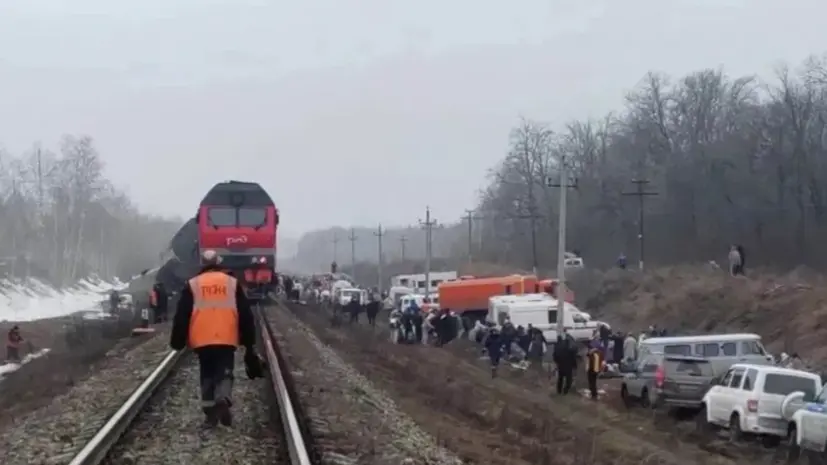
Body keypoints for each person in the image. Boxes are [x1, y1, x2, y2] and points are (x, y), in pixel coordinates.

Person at [170, 249, 257, 428]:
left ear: (202, 263)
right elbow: (246, 314)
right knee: (225, 370)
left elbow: (182, 315)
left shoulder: (193, 284)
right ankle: (223, 397)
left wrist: (177, 340)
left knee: (207, 374)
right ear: (219, 262)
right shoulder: (232, 283)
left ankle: (210, 416)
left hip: (201, 339)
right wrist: (249, 341)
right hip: (226, 337)